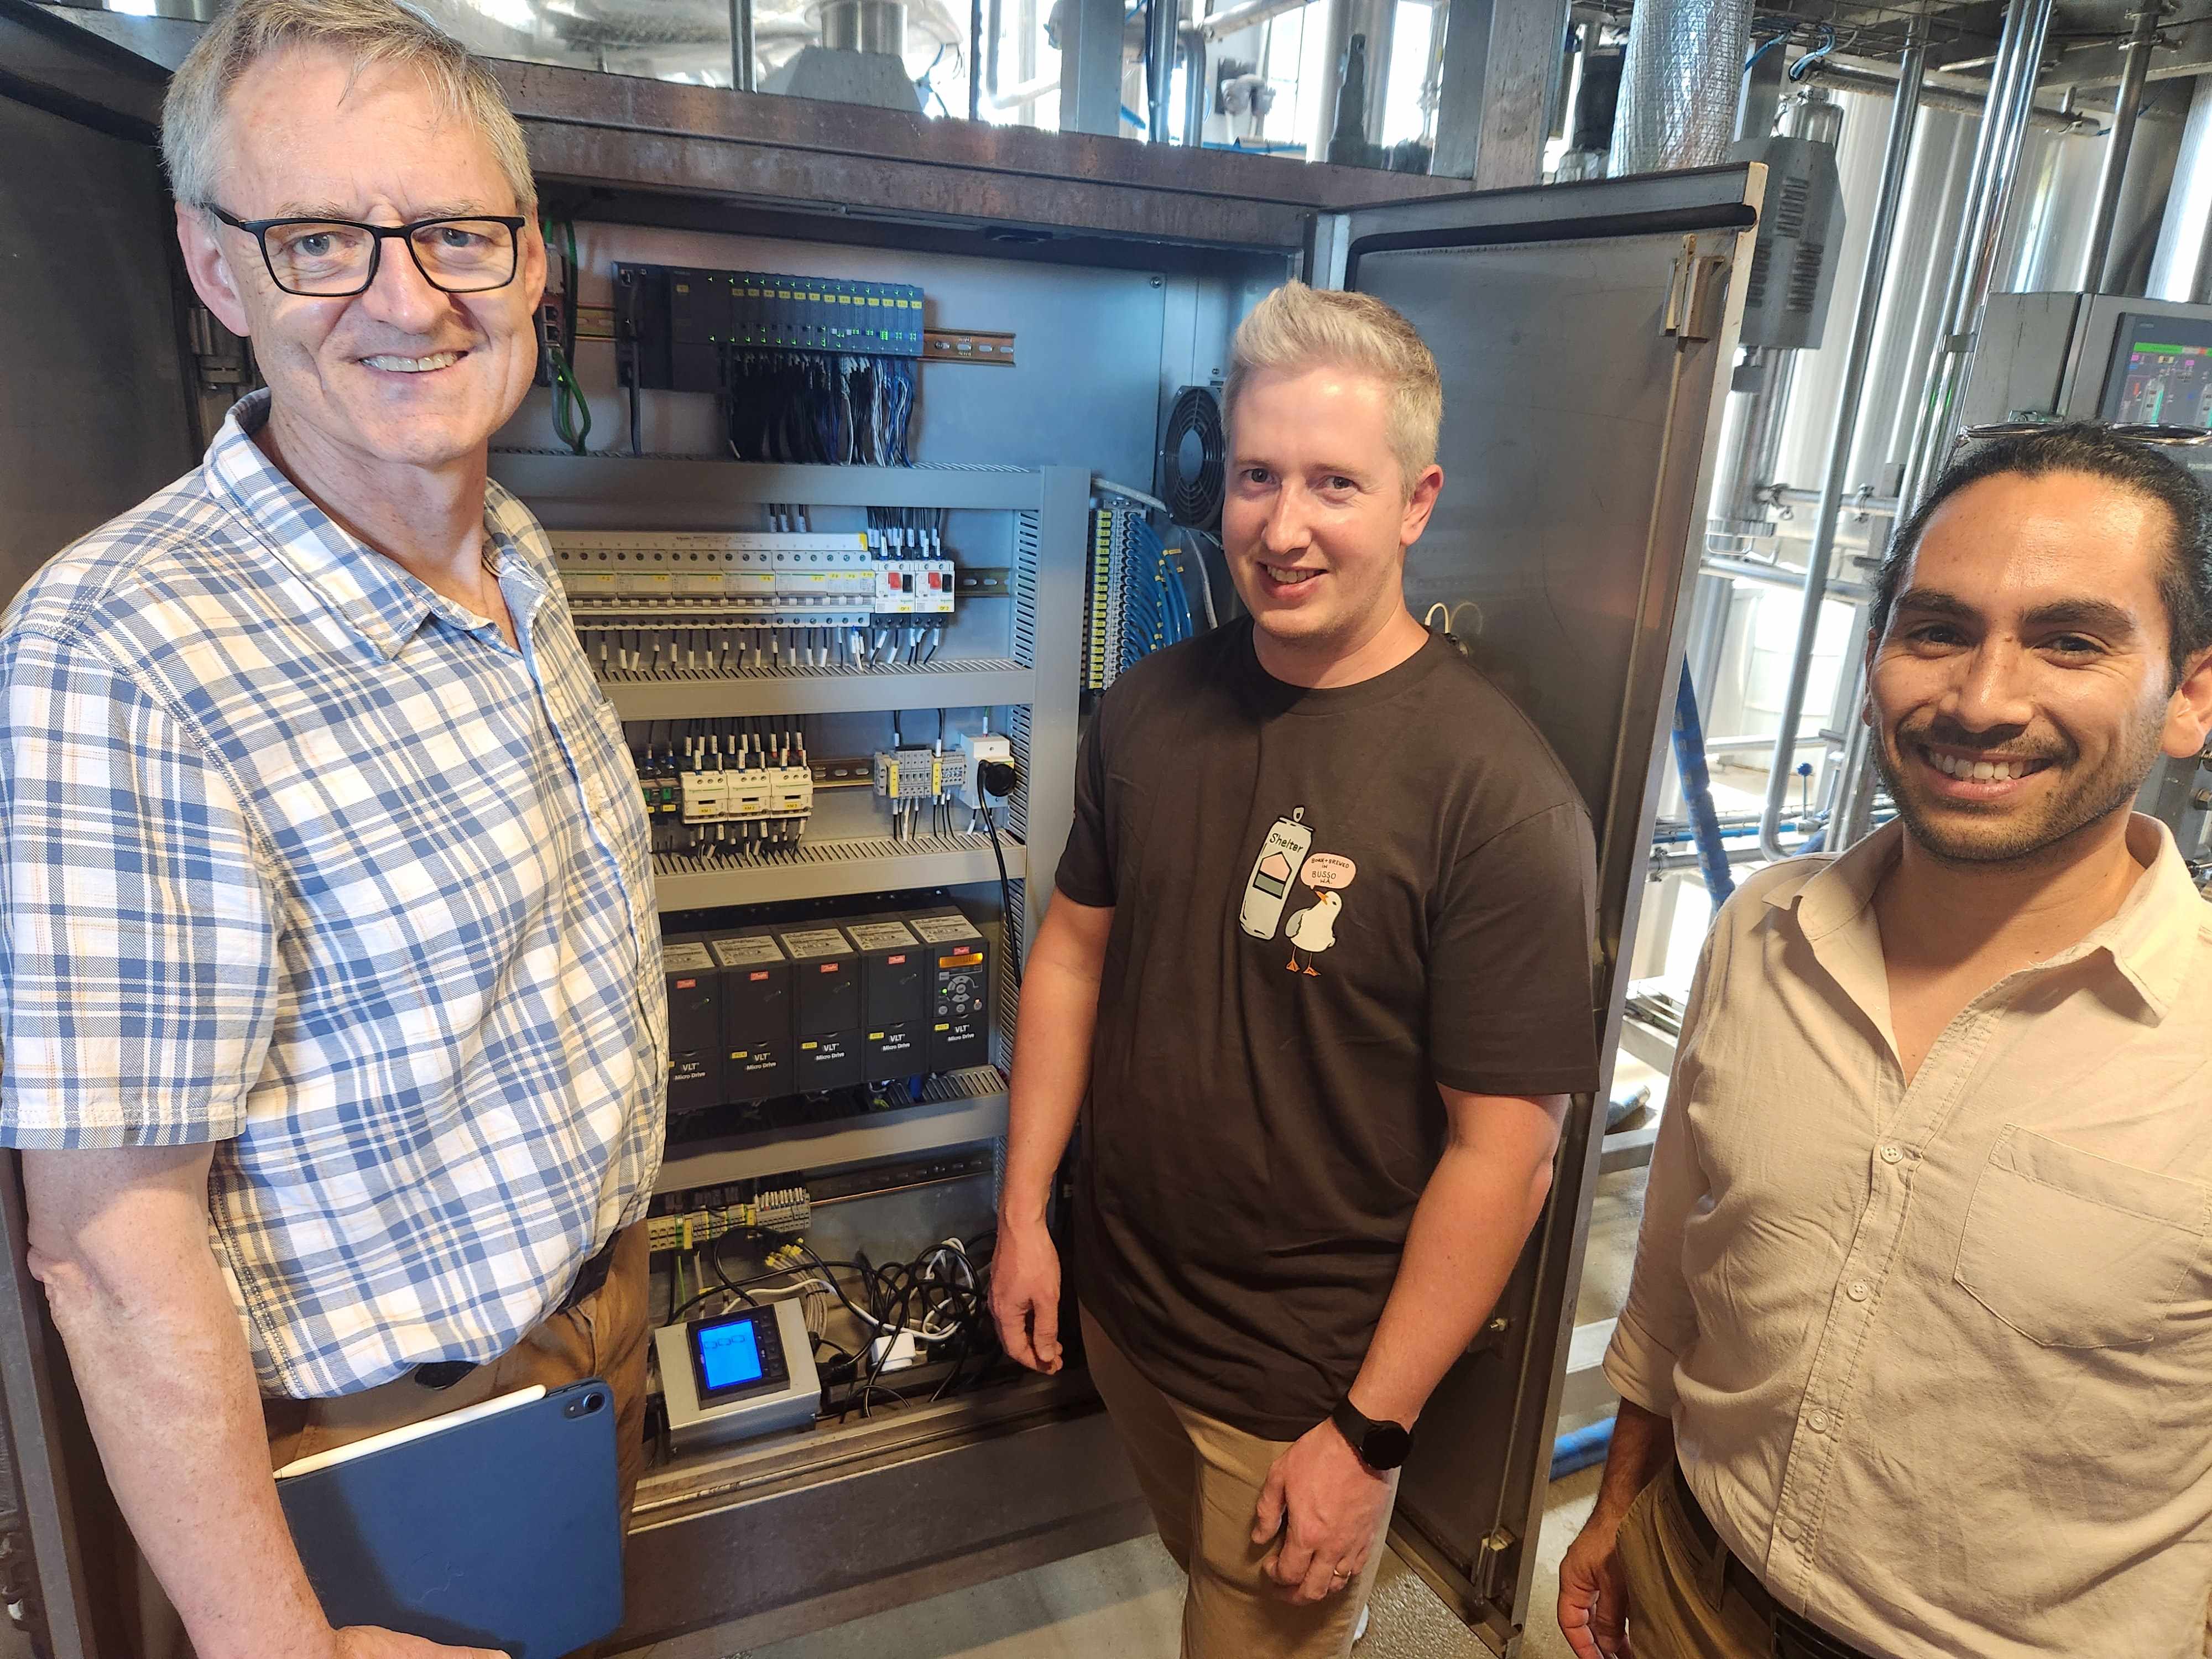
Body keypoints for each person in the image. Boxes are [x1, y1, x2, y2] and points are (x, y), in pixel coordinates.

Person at [0, 4, 665, 1656]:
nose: (405, 296)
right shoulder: (120, 654)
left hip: (595, 1328)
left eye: (455, 231)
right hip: (373, 1441)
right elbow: (101, 1247)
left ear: (529, 261)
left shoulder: (510, 549)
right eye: (321, 239)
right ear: (218, 272)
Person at [990, 281, 1603, 1658]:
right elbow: (1073, 956)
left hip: (1296, 1387)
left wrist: (1365, 1436)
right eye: (1256, 476)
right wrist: (1029, 1210)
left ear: (1415, 501)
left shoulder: (1493, 798)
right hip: (1129, 1308)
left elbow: (1504, 1158)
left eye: (1334, 481)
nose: (1283, 525)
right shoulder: (1150, 706)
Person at [1557, 424, 2212, 1659]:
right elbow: (1674, 1276)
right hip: (1696, 1583)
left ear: (2188, 695)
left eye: (2066, 641)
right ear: (1875, 662)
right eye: (1938, 630)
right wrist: (1621, 1504)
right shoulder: (1760, 933)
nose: (1979, 698)